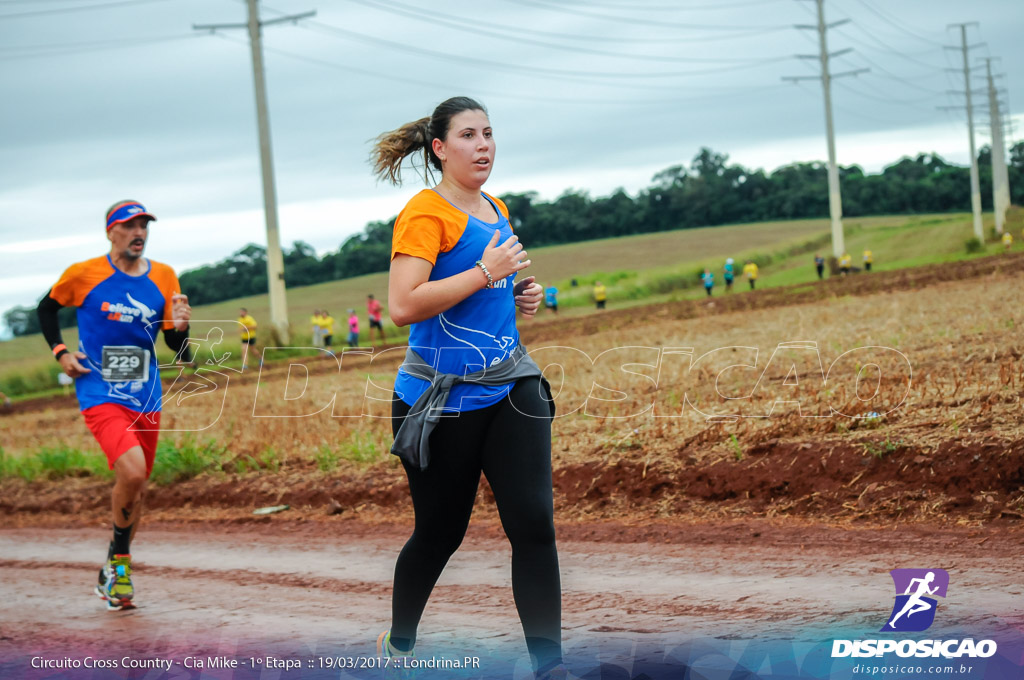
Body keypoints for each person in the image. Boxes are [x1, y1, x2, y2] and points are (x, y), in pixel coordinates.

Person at [370, 96, 564, 679]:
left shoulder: (493, 205)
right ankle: (399, 643)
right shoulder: (426, 214)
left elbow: (493, 286)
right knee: (439, 533)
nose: (483, 145)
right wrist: (487, 274)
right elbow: (403, 304)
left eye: (488, 133)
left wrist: (519, 293)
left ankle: (549, 667)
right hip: (440, 400)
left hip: (510, 385)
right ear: (439, 149)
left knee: (533, 525)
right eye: (468, 136)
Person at [36, 199, 192, 610]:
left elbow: (178, 348)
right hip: (99, 389)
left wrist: (181, 328)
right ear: (111, 232)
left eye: (143, 226)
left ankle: (112, 568)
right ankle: (121, 563)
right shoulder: (84, 274)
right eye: (129, 226)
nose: (138, 232)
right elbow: (47, 307)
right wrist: (61, 352)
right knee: (133, 470)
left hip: (145, 393)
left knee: (136, 487)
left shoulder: (164, 276)